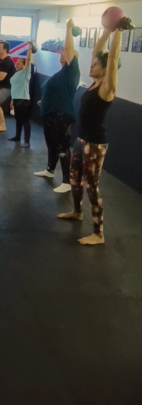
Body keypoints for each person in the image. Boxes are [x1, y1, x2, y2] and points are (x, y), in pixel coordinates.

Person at [58, 19, 130, 245]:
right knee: (74, 180)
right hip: (81, 140)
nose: (91, 66)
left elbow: (112, 57)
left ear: (105, 68)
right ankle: (77, 211)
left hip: (95, 145)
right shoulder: (92, 82)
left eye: (96, 65)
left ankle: (98, 234)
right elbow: (98, 51)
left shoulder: (107, 88)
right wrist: (107, 30)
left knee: (92, 187)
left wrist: (117, 32)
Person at [34, 20, 80, 193]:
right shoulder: (59, 74)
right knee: (52, 145)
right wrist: (44, 100)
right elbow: (52, 92)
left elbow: (68, 49)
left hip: (62, 115)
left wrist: (68, 28)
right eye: (62, 53)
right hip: (50, 113)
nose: (63, 54)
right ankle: (50, 170)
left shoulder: (72, 71)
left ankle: (67, 182)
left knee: (62, 147)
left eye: (66, 54)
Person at [9, 43, 34, 148]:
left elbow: (28, 60)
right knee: (18, 120)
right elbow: (13, 88)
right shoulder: (15, 74)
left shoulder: (25, 72)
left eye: (19, 63)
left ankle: (27, 141)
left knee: (25, 121)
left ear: (24, 65)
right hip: (16, 99)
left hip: (23, 100)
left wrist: (30, 49)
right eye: (16, 63)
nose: (17, 64)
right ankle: (17, 136)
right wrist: (11, 101)